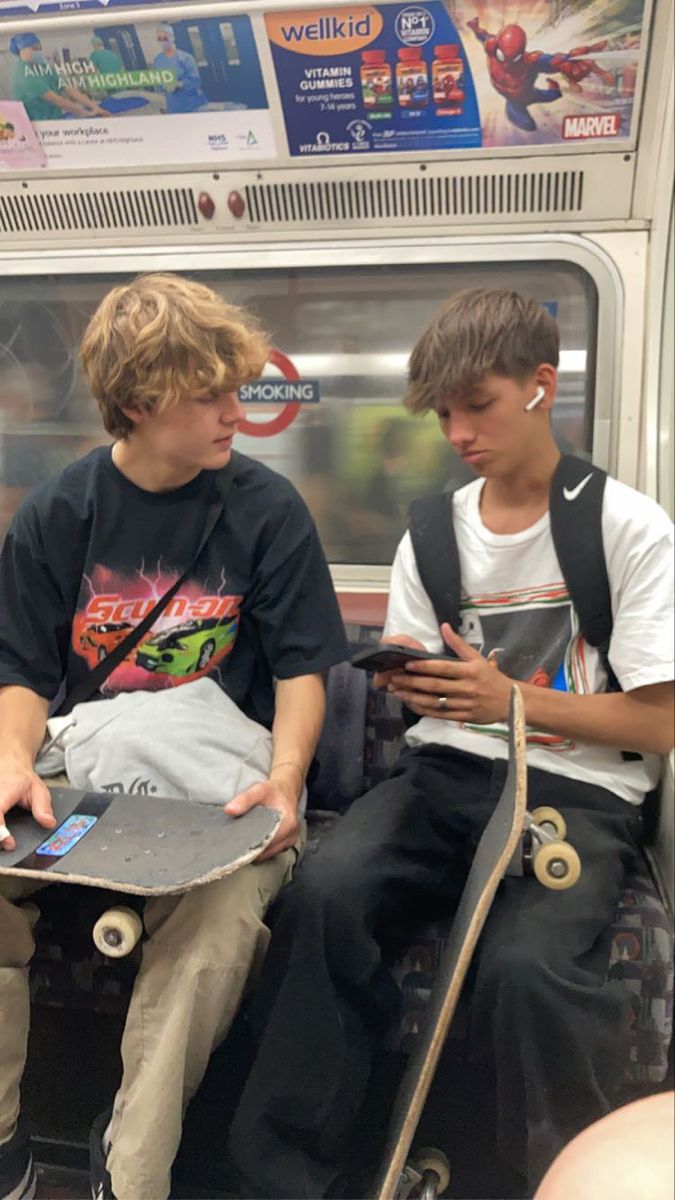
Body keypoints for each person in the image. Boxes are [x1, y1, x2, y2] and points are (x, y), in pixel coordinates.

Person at [228, 288, 675, 1198]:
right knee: (327, 893)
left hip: (575, 790)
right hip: (444, 769)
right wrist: (422, 684)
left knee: (529, 969)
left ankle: (556, 1181)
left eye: (479, 404)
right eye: (443, 412)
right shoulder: (431, 533)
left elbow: (661, 720)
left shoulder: (625, 528)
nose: (458, 430)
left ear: (541, 387)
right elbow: (442, 694)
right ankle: (284, 1175)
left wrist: (508, 699)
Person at [0, 273, 348, 1200]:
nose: (239, 410)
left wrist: (284, 778)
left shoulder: (265, 511)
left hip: (214, 782)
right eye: (212, 395)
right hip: (91, 775)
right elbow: (25, 675)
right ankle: (5, 1142)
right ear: (141, 404)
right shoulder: (56, 516)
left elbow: (303, 671)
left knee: (221, 923)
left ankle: (133, 1177)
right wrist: (7, 765)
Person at [9, 32, 111, 121]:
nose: (38, 52)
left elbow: (67, 88)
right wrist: (83, 112)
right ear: (21, 49)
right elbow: (56, 100)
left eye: (39, 48)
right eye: (34, 48)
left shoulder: (42, 67)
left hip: (55, 119)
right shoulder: (23, 76)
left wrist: (95, 107)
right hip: (39, 125)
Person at [152, 24, 209, 115]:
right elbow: (158, 87)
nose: (162, 41)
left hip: (192, 105)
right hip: (172, 107)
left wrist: (179, 84)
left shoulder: (186, 58)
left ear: (172, 38)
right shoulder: (157, 61)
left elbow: (196, 81)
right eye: (159, 39)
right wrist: (162, 107)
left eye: (165, 38)